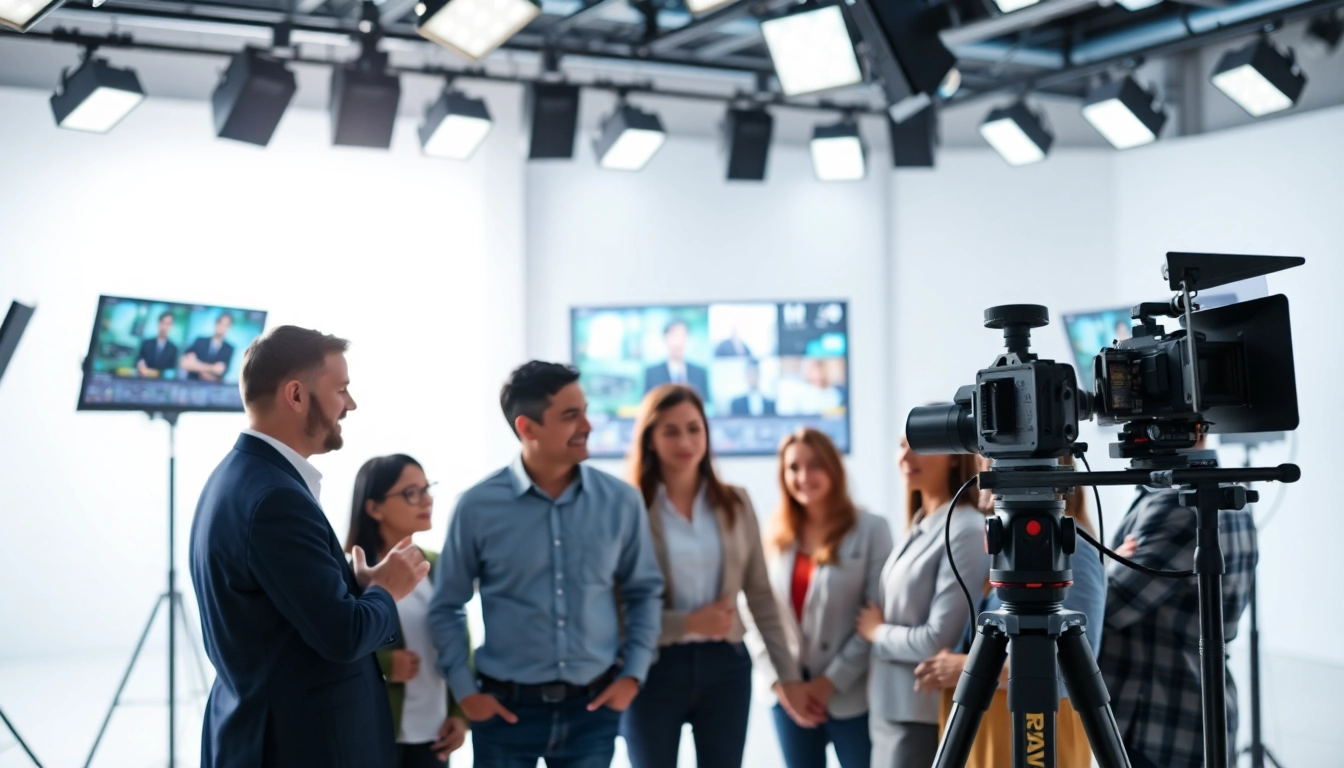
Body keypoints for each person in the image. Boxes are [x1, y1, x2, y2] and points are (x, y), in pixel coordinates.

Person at [189, 326, 430, 768]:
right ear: (296, 395)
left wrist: (359, 587)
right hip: (301, 746)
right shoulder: (276, 498)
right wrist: (387, 589)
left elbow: (287, 618)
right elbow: (344, 636)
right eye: (341, 390)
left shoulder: (238, 478)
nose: (351, 405)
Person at [429, 361, 664, 768]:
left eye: (585, 411)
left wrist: (633, 676)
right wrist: (466, 693)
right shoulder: (477, 507)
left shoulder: (621, 502)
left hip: (593, 711)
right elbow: (447, 605)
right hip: (504, 714)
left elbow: (644, 591)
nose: (588, 425)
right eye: (571, 416)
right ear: (527, 428)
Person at [619, 385, 808, 768]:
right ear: (651, 440)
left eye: (694, 428)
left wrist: (787, 677)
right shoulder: (628, 507)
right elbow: (615, 605)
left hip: (726, 666)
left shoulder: (735, 502)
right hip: (652, 668)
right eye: (670, 431)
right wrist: (686, 623)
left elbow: (759, 596)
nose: (685, 440)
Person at [912, 456, 1106, 768]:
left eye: (987, 461)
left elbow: (1069, 664)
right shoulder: (1009, 548)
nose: (981, 474)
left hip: (1040, 727)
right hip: (998, 725)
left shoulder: (1073, 550)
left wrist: (963, 666)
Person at [1098, 438, 1256, 768]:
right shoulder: (1227, 489)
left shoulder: (1177, 501)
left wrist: (1098, 565)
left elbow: (1105, 609)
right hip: (1196, 713)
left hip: (1156, 723)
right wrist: (1107, 567)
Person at [756, 428, 893, 768]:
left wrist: (829, 682)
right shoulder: (774, 535)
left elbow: (877, 614)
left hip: (851, 693)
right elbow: (754, 614)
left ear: (833, 467)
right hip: (789, 697)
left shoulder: (872, 529)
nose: (804, 477)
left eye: (815, 464)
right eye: (793, 468)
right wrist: (783, 684)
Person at [856, 434, 989, 768]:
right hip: (890, 707)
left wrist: (876, 633)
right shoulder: (920, 525)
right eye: (901, 445)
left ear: (956, 456)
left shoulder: (966, 529)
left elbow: (938, 641)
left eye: (919, 444)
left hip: (920, 711)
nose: (905, 455)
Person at [345, 454, 469, 768]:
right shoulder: (353, 574)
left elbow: (459, 642)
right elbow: (334, 644)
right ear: (374, 508)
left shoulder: (439, 565)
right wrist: (386, 664)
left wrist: (460, 712)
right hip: (374, 735)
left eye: (427, 488)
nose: (426, 499)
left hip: (434, 735)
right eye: (411, 492)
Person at [645, 319, 708, 398]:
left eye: (683, 336)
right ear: (665, 338)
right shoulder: (652, 373)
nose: (678, 342)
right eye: (674, 336)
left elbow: (705, 405)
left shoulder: (700, 373)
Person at [182, 312, 237, 382]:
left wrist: (196, 365)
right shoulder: (200, 341)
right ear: (216, 323)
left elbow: (220, 373)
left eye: (225, 325)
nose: (222, 327)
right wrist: (212, 368)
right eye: (220, 323)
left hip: (212, 388)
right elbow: (185, 364)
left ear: (229, 328)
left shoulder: (229, 348)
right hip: (192, 383)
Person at [136, 310, 179, 376]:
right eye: (163, 323)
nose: (164, 327)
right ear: (159, 323)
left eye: (168, 324)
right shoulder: (146, 344)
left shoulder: (173, 349)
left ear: (171, 326)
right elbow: (138, 361)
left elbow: (171, 371)